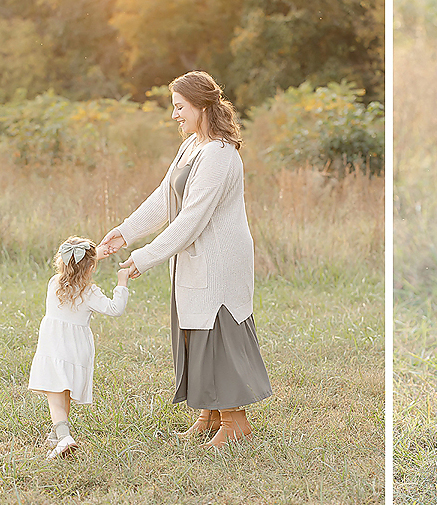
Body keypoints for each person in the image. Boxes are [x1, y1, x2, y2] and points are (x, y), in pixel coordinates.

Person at [98, 70, 270, 449]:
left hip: (220, 259)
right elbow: (164, 198)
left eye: (179, 106)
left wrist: (143, 257)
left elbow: (191, 218)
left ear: (200, 106)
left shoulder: (220, 154)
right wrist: (125, 232)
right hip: (194, 256)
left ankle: (235, 421)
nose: (174, 115)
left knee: (218, 329)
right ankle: (209, 415)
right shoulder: (191, 145)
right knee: (194, 329)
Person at [27, 237, 131, 459]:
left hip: (54, 347)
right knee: (64, 395)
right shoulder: (90, 292)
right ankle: (57, 437)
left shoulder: (54, 283)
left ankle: (64, 438)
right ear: (91, 266)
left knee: (55, 399)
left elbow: (78, 266)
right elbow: (115, 309)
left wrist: (95, 255)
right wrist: (122, 282)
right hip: (77, 350)